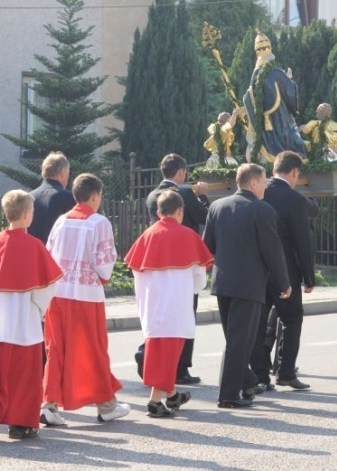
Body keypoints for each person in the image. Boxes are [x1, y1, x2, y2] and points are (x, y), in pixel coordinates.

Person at [0, 190, 62, 440]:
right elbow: (45, 287)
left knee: (1, 370)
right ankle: (21, 424)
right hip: (23, 320)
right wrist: (40, 309)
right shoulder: (33, 245)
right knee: (26, 374)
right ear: (26, 215)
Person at [42, 173, 130, 424]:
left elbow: (48, 254)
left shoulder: (61, 221)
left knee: (56, 348)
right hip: (86, 296)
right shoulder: (99, 222)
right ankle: (106, 405)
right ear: (94, 196)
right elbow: (104, 266)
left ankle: (49, 405)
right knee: (94, 349)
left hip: (58, 294)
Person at [204, 163, 291, 407]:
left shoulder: (216, 206)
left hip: (222, 283)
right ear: (253, 183)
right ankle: (228, 395)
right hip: (249, 285)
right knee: (240, 342)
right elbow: (273, 251)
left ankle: (248, 381)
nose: (265, 187)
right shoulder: (262, 210)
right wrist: (284, 282)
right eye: (263, 182)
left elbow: (207, 245)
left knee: (235, 340)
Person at [125, 190, 212, 417]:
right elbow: (199, 277)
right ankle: (155, 401)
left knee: (159, 351)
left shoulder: (146, 236)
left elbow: (136, 271)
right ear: (180, 211)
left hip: (152, 304)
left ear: (158, 211)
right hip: (177, 304)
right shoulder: (188, 236)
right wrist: (190, 288)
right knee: (170, 353)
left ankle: (171, 395)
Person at [139, 153, 209, 385]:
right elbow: (204, 217)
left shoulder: (152, 195)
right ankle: (181, 368)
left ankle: (147, 351)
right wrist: (204, 197)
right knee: (184, 315)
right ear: (180, 173)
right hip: (182, 262)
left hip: (157, 261)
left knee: (159, 316)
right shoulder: (185, 194)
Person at [250, 151, 315, 390]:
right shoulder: (295, 199)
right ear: (295, 172)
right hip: (286, 273)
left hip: (257, 271)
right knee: (291, 320)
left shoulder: (257, 192)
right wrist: (309, 277)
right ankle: (286, 372)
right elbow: (302, 243)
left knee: (257, 324)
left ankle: (260, 376)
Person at [242, 32, 307, 162]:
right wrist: (288, 79)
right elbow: (290, 91)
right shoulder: (276, 73)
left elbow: (248, 97)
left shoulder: (254, 76)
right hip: (281, 122)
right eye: (266, 48)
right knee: (298, 148)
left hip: (265, 128)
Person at [28, 152, 75, 244]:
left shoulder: (29, 197)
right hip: (56, 254)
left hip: (33, 254)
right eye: (68, 172)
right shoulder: (69, 198)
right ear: (63, 172)